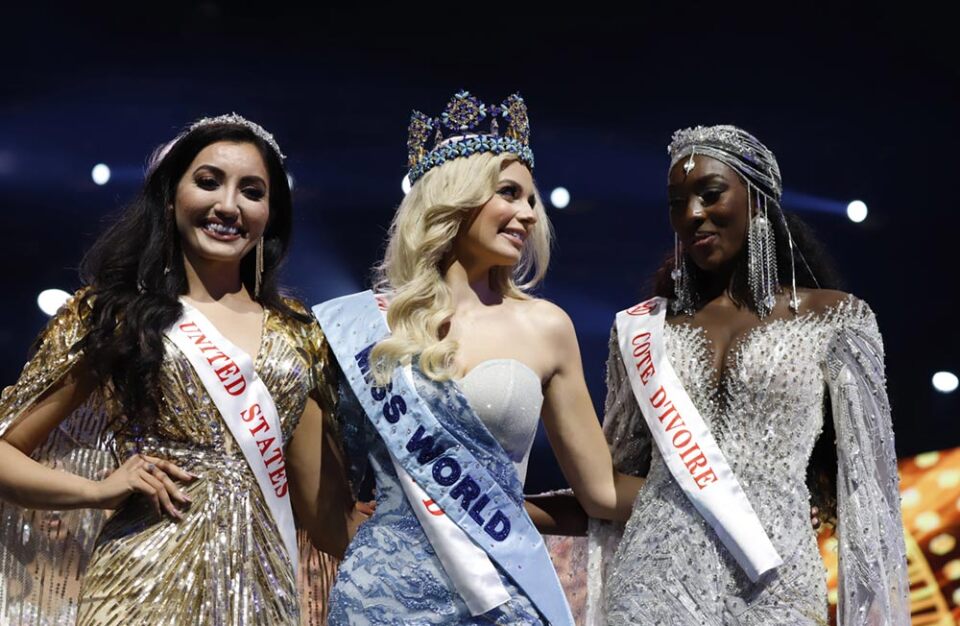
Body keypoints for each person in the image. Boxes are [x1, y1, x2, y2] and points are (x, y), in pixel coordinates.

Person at [0, 114, 352, 625]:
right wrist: (97, 491)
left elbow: (325, 516)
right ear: (170, 197)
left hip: (263, 595)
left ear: (271, 214)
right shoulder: (117, 315)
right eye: (208, 182)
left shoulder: (298, 335)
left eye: (251, 191)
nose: (228, 205)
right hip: (139, 588)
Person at [313, 90, 641, 625]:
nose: (528, 215)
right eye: (509, 193)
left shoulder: (545, 327)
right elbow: (322, 498)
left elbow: (601, 492)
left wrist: (710, 496)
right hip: (381, 597)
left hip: (502, 591)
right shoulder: (365, 326)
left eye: (531, 200)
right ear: (454, 198)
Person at [589, 125, 909, 625]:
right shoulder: (645, 329)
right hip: (652, 584)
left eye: (710, 193)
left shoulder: (837, 319)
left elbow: (868, 493)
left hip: (777, 583)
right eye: (677, 203)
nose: (693, 214)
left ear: (757, 199)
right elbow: (619, 478)